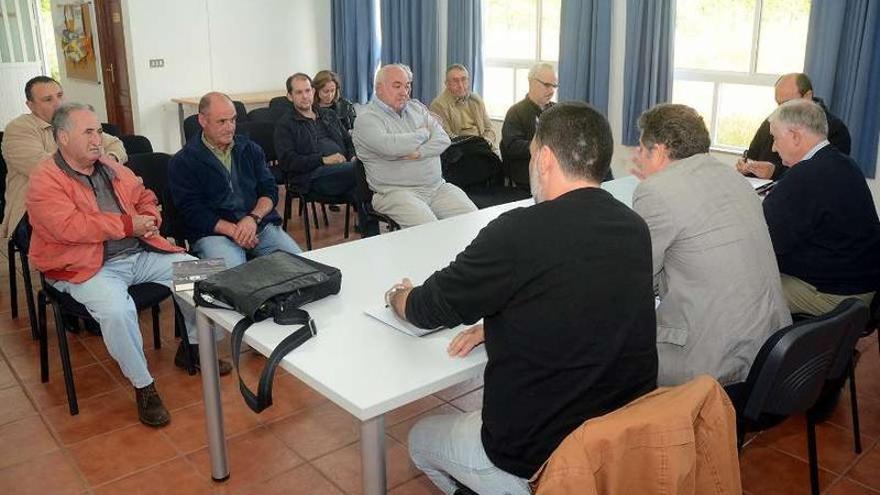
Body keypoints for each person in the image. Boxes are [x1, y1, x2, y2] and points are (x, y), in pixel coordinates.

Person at [387, 102, 658, 494]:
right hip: (617, 439)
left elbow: (427, 308)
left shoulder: (516, 232)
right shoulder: (633, 226)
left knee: (419, 439)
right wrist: (499, 319)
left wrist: (399, 294)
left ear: (545, 159)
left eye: (531, 154)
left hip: (535, 454)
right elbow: (576, 295)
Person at [26, 103, 229, 427]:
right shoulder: (44, 180)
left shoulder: (109, 166)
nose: (98, 140)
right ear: (63, 137)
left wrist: (150, 217)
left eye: (99, 131)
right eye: (88, 132)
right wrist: (126, 225)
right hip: (85, 267)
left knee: (205, 274)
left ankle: (192, 346)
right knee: (119, 312)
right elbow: (70, 227)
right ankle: (144, 386)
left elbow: (144, 195)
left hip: (137, 253)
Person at [631, 103, 791, 387]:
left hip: (715, 360)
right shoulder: (734, 178)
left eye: (641, 148)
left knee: (605, 352)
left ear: (660, 150)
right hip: (770, 348)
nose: (636, 156)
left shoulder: (656, 191)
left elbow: (636, 279)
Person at [762, 99, 880, 316]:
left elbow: (767, 242)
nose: (773, 147)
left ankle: (758, 348)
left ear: (796, 136)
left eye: (775, 138)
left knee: (743, 286)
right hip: (862, 286)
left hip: (835, 296)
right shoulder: (844, 163)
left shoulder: (805, 176)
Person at [169, 92, 300, 266]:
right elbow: (192, 212)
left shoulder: (250, 149)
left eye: (233, 120)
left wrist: (253, 218)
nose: (230, 127)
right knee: (235, 279)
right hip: (214, 234)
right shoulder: (183, 161)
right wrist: (235, 230)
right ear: (202, 120)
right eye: (222, 121)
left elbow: (269, 190)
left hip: (258, 226)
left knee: (302, 264)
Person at [1, 76, 127, 249]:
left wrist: (108, 161)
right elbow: (46, 169)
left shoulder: (73, 121)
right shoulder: (18, 130)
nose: (58, 103)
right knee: (99, 232)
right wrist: (93, 160)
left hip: (90, 202)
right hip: (34, 213)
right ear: (30, 105)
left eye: (60, 95)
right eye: (48, 99)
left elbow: (115, 144)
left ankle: (119, 257)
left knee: (173, 260)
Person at [352, 64, 477, 228]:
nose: (404, 92)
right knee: (430, 231)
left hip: (437, 187)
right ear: (379, 89)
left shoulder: (416, 108)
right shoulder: (366, 120)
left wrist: (420, 152)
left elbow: (443, 139)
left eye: (407, 86)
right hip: (396, 193)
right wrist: (423, 134)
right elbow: (391, 147)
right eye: (397, 86)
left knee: (475, 223)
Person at [274, 73, 377, 235]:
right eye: (299, 92)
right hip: (311, 178)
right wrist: (323, 160)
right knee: (362, 172)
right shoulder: (285, 125)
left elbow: (348, 141)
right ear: (289, 96)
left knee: (361, 179)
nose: (305, 96)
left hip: (343, 171)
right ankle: (375, 230)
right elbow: (288, 162)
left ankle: (371, 237)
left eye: (307, 91)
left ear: (313, 92)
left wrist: (352, 156)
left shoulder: (329, 115)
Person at [736, 72, 851, 181]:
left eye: (787, 103)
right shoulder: (772, 121)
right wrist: (747, 166)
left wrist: (775, 172)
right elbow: (752, 155)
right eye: (778, 104)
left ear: (807, 96)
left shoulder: (835, 130)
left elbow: (822, 177)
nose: (781, 109)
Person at [430, 64, 503, 190]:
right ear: (447, 83)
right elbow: (448, 138)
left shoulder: (476, 100)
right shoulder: (438, 105)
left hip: (482, 146)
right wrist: (476, 144)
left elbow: (489, 128)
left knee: (499, 161)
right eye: (455, 80)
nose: (461, 84)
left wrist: (487, 142)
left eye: (464, 79)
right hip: (461, 151)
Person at [500, 63, 557, 188]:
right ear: (531, 82)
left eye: (554, 86)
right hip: (526, 175)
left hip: (553, 172)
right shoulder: (515, 112)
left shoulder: (556, 111)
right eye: (547, 85)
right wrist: (538, 146)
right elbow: (512, 147)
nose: (551, 90)